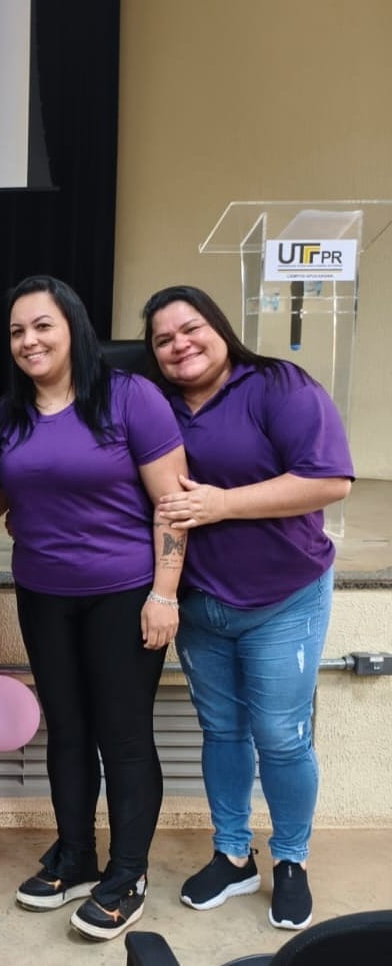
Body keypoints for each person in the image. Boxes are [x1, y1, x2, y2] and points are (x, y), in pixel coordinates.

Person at [143, 286, 352, 932]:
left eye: (191, 328)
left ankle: (290, 858)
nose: (180, 345)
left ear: (220, 327)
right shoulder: (154, 406)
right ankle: (233, 854)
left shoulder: (279, 385)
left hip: (283, 596)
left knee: (281, 736)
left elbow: (329, 480)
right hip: (201, 604)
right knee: (222, 731)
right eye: (163, 339)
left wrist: (221, 504)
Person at [0, 275, 187, 942]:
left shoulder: (131, 397)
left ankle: (127, 873)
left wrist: (164, 592)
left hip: (123, 594)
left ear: (73, 326)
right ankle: (76, 855)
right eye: (17, 331)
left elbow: (173, 505)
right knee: (67, 730)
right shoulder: (11, 412)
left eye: (42, 325)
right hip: (43, 592)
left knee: (122, 735)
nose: (29, 340)